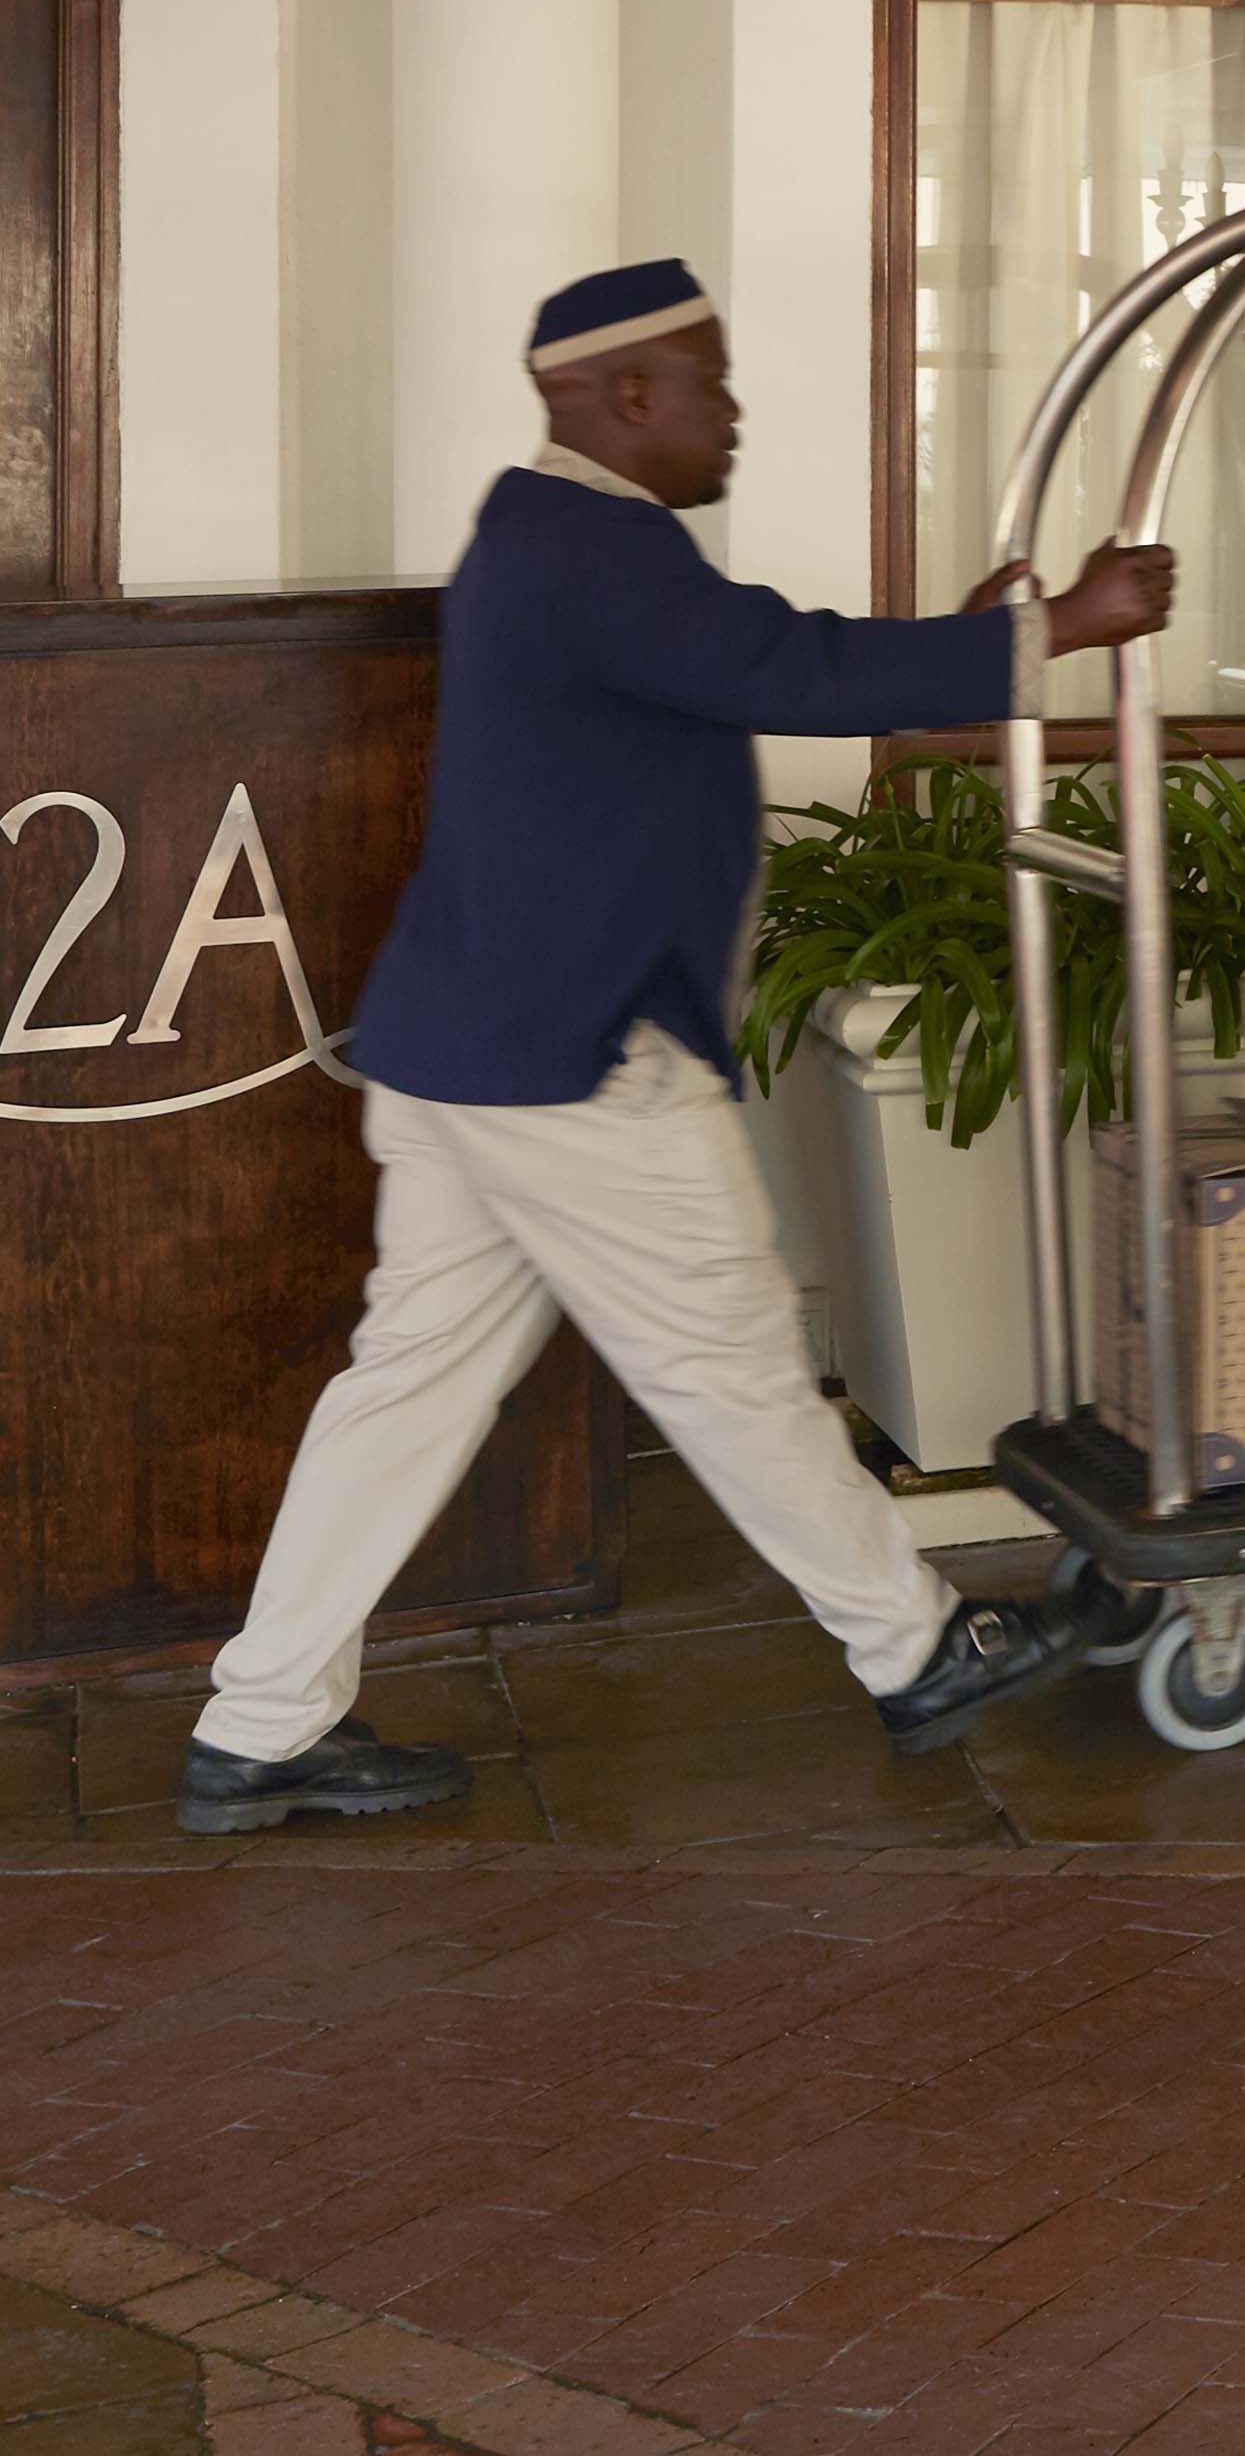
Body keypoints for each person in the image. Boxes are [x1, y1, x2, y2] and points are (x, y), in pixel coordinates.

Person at [177, 261, 1179, 1832]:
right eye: (710, 380)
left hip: (471, 1047)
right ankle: (917, 1647)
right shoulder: (595, 550)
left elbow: (751, 671)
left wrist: (978, 646)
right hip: (574, 1064)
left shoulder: (550, 539)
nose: (734, 410)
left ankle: (260, 1723)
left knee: (408, 1387)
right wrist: (1067, 627)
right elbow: (783, 668)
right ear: (627, 395)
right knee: (733, 1368)